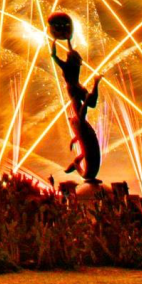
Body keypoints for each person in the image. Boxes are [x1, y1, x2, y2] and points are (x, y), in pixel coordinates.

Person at [45, 13, 102, 184]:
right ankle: (96, 84)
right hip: (77, 88)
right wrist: (63, 40)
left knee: (84, 112)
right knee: (82, 113)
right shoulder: (73, 63)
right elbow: (57, 56)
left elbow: (55, 56)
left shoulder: (69, 64)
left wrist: (55, 42)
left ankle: (96, 84)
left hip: (75, 88)